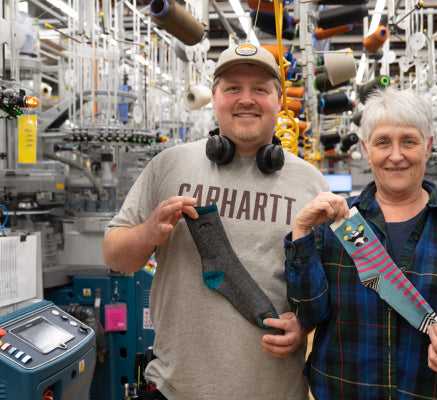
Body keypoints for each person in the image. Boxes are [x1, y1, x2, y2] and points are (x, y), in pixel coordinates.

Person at [103, 43, 329, 400]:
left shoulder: (309, 182)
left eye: (260, 89)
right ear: (214, 97)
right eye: (233, 88)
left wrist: (305, 324)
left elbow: (325, 285)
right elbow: (115, 257)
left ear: (279, 100)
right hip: (175, 389)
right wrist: (148, 233)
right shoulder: (169, 165)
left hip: (276, 392)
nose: (246, 99)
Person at [284, 87, 437, 399]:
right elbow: (308, 315)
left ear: (428, 147)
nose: (396, 155)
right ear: (366, 150)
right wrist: (301, 232)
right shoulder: (339, 225)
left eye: (409, 141)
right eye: (383, 143)